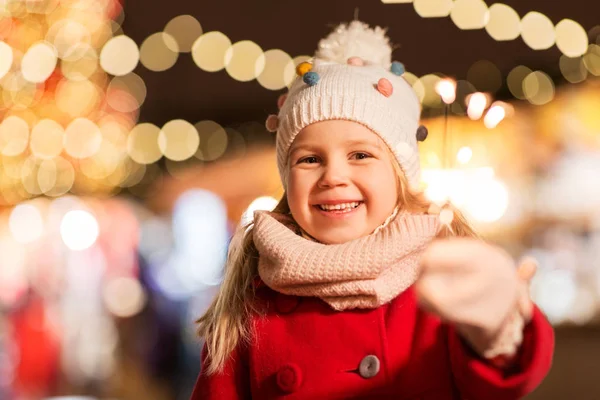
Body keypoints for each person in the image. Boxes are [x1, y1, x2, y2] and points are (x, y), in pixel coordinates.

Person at [191, 20, 554, 399]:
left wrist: (500, 326)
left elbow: (502, 377)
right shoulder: (251, 303)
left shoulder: (439, 280)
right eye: (310, 159)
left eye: (360, 155)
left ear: (400, 174)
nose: (333, 176)